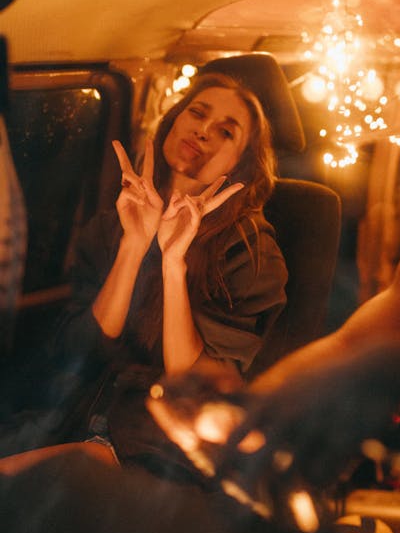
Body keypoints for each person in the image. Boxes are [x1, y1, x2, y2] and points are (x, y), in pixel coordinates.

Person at [143, 16, 400, 510]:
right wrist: (246, 413)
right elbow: (351, 346)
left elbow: (372, 363)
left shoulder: (254, 249)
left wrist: (394, 369)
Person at [0, 71, 287, 478]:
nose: (203, 130)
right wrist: (133, 247)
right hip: (72, 414)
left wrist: (174, 264)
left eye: (226, 132)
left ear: (241, 165)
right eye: (197, 113)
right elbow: (78, 351)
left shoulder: (252, 254)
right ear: (173, 121)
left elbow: (196, 388)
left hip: (157, 446)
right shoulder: (111, 225)